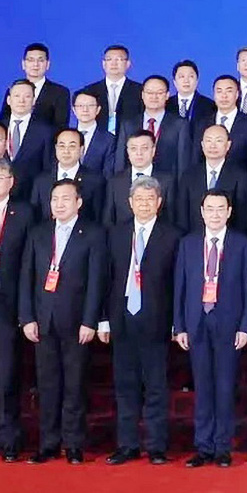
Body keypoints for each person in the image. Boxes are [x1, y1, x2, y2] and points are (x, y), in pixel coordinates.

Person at [19, 179, 105, 464]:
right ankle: (49, 443)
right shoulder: (39, 232)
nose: (59, 204)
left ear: (78, 202)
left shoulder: (92, 233)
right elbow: (26, 277)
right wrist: (27, 317)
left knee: (74, 384)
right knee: (47, 385)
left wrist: (90, 320)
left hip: (76, 320)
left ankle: (74, 443)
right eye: (55, 199)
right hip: (43, 320)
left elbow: (96, 281)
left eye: (66, 199)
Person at [98, 176, 181, 466]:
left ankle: (156, 446)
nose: (144, 204)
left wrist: (177, 322)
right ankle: (127, 445)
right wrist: (104, 319)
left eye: (150, 199)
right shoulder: (116, 234)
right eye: (139, 199)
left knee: (156, 386)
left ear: (159, 203)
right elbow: (105, 279)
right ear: (130, 203)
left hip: (157, 321)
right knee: (125, 386)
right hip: (121, 319)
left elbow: (178, 284)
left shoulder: (173, 235)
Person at [173, 190, 247, 468]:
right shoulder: (188, 243)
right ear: (202, 212)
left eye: (221, 208)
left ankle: (222, 447)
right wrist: (179, 325)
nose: (215, 214)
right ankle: (203, 446)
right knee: (203, 387)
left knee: (225, 387)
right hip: (196, 322)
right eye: (210, 208)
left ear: (229, 212)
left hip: (229, 323)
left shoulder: (242, 244)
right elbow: (180, 287)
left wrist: (245, 325)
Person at [0, 161, 32, 462]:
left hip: (8, 308)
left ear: (11, 181)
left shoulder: (23, 213)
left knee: (6, 376)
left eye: (1, 177)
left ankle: (8, 440)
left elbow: (29, 263)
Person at [177, 124, 247, 235]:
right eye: (209, 140)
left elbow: (242, 216)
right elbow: (182, 214)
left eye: (219, 141)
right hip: (194, 239)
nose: (213, 145)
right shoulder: (189, 175)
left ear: (228, 145)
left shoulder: (240, 175)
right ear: (202, 145)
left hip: (228, 239)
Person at [115, 75, 192, 177]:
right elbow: (120, 160)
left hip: (167, 182)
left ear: (167, 95)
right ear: (142, 95)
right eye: (150, 93)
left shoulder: (180, 124)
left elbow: (183, 161)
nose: (154, 97)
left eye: (159, 93)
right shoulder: (128, 124)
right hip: (135, 182)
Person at [102, 131, 177, 227]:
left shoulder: (167, 181)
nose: (139, 153)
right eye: (133, 148)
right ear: (128, 152)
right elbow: (108, 220)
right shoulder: (115, 181)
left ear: (153, 151)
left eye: (144, 148)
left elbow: (171, 218)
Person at [194, 75, 247, 180]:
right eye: (219, 91)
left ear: (237, 94)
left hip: (239, 184)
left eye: (229, 91)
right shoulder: (202, 123)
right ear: (214, 95)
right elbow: (196, 158)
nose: (224, 96)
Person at [29, 128, 104, 223]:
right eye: (62, 146)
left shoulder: (95, 180)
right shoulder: (41, 180)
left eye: (72, 146)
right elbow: (35, 215)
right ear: (56, 148)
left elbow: (98, 217)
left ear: (81, 150)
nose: (66, 151)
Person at [3, 79, 53, 201]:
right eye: (17, 96)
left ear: (34, 100)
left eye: (27, 96)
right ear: (9, 100)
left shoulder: (46, 131)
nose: (22, 100)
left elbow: (48, 168)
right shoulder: (1, 126)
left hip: (30, 197)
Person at [0, 43, 70, 129]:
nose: (35, 64)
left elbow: (61, 126)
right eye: (31, 60)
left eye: (40, 60)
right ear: (23, 64)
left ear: (47, 64)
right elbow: (4, 121)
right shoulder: (13, 89)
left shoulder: (60, 92)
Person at [80, 44, 143, 135]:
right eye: (109, 59)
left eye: (119, 59)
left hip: (130, 138)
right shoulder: (90, 90)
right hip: (98, 138)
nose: (114, 64)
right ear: (103, 64)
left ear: (128, 64)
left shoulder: (140, 90)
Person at [73, 90, 116, 178]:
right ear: (74, 110)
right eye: (80, 106)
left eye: (90, 105)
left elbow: (108, 173)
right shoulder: (64, 136)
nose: (85, 110)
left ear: (98, 109)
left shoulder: (109, 139)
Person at [167, 59, 216, 126]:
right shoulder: (166, 104)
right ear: (174, 82)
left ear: (197, 81)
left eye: (191, 76)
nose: (186, 81)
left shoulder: (209, 105)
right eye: (182, 77)